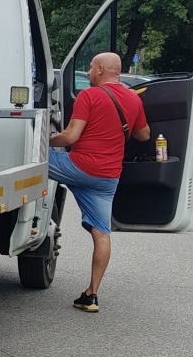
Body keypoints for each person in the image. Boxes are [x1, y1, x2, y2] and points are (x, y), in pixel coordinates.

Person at [46, 51, 150, 312]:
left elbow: (70, 137)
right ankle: (91, 295)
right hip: (107, 177)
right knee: (102, 234)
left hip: (79, 167)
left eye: (92, 67)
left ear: (101, 69)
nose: (90, 72)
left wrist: (44, 141)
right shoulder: (133, 98)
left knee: (31, 160)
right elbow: (144, 135)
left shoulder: (89, 95)